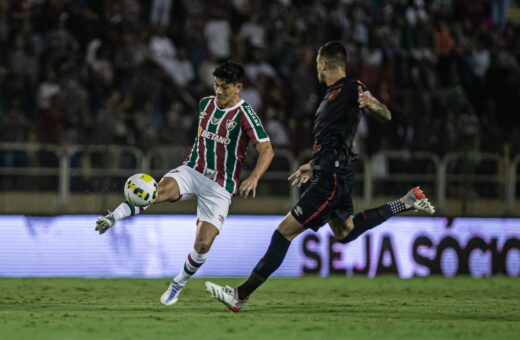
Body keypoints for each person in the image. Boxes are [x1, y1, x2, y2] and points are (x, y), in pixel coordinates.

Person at [205, 41, 435, 312]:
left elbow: (386, 114)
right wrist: (313, 164)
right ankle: (406, 202)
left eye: (317, 63)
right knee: (345, 231)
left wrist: (373, 104)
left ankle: (240, 295)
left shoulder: (350, 88)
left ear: (324, 64)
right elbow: (337, 138)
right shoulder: (331, 95)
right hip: (332, 172)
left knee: (283, 234)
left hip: (331, 178)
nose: (316, 67)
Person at [95, 61, 274, 306]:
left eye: (224, 87)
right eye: (216, 85)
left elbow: (267, 150)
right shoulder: (205, 104)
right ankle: (112, 218)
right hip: (192, 170)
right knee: (155, 191)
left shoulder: (245, 115)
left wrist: (254, 177)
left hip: (219, 186)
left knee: (202, 244)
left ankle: (178, 282)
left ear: (238, 87)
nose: (218, 91)